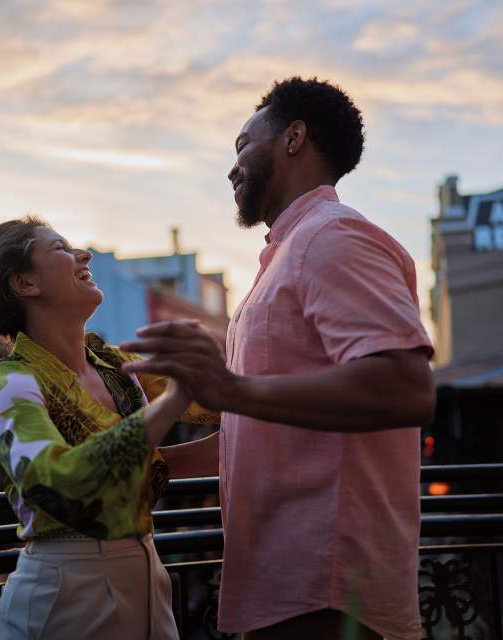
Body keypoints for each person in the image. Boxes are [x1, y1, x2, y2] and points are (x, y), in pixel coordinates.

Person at [120, 77, 435, 640]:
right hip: (287, 588)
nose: (232, 166)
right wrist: (145, 465)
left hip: (329, 594)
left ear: (294, 138)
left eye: (243, 144)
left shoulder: (333, 239)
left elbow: (405, 390)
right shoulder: (290, 255)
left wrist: (230, 390)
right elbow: (259, 427)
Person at [0, 217, 218, 640]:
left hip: (149, 574)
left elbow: (218, 398)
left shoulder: (115, 364)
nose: (84, 255)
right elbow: (55, 481)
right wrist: (173, 403)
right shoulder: (7, 384)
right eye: (61, 248)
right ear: (25, 283)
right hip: (66, 589)